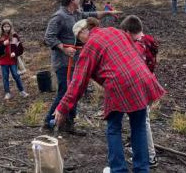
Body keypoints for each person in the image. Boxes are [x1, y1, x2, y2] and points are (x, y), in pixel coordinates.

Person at [54, 18, 165, 173]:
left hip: (119, 84)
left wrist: (63, 107)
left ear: (83, 32)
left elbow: (78, 81)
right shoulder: (116, 31)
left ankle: (118, 169)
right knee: (139, 126)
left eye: (80, 39)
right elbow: (134, 51)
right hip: (141, 77)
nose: (81, 42)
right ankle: (142, 169)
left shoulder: (90, 46)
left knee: (114, 128)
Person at [43, 0, 120, 134]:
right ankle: (48, 123)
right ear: (72, 0)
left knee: (75, 90)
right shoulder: (58, 17)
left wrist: (108, 12)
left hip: (77, 60)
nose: (80, 0)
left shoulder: (77, 13)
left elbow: (91, 14)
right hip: (63, 62)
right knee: (64, 91)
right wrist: (63, 48)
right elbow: (49, 37)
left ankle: (68, 124)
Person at [120, 15, 159, 167]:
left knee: (142, 122)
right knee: (140, 120)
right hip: (150, 83)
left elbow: (134, 70)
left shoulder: (138, 47)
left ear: (128, 32)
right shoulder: (149, 40)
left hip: (140, 88)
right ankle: (138, 146)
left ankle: (150, 157)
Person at [0, 19, 28, 100]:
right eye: (5, 26)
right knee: (5, 77)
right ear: (2, 27)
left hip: (13, 60)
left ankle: (22, 91)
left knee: (16, 75)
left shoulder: (14, 35)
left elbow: (20, 48)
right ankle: (7, 93)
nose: (6, 28)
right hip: (3, 60)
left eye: (8, 26)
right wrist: (3, 44)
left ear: (10, 27)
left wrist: (15, 53)